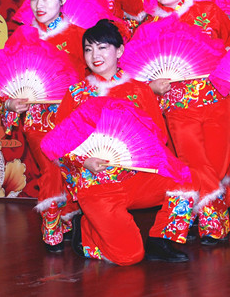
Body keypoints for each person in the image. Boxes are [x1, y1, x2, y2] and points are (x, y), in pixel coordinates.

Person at [41, 19, 195, 265]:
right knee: (129, 257)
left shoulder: (139, 90)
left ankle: (160, 240)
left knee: (185, 180)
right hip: (96, 185)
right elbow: (60, 145)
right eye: (89, 49)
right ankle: (87, 232)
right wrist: (84, 161)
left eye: (102, 47)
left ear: (120, 50)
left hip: (136, 177)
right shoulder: (76, 94)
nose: (95, 55)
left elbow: (158, 136)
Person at [143, 0, 230, 245]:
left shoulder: (209, 12)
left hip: (216, 102)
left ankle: (223, 199)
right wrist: (153, 86)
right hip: (179, 108)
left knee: (216, 166)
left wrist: (229, 76)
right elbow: (137, 69)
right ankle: (215, 226)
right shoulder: (150, 25)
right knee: (195, 164)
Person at [0, 0, 85, 252]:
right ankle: (51, 228)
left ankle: (68, 218)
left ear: (62, 0)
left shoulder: (79, 37)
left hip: (71, 118)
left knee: (70, 169)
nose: (39, 5)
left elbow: (94, 78)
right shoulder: (21, 37)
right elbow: (6, 81)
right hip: (37, 120)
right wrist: (11, 103)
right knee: (50, 166)